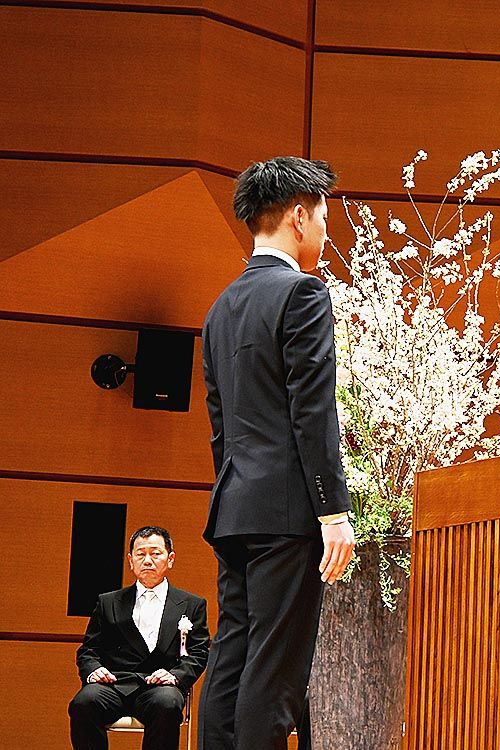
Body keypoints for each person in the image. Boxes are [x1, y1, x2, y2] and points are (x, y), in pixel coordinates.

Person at [199, 156, 356, 749]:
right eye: (323, 219)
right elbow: (313, 412)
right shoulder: (303, 293)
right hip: (288, 515)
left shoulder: (219, 309)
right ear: (297, 216)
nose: (326, 233)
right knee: (276, 674)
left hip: (234, 509)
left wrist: (237, 493)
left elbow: (221, 430)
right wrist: (333, 512)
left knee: (231, 662)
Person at [68, 526, 209, 750]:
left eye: (155, 553)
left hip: (160, 687)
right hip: (114, 684)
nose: (147, 560)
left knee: (168, 704)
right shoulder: (108, 602)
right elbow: (88, 650)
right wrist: (94, 670)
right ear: (130, 560)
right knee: (83, 703)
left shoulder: (192, 604)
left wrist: (175, 675)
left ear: (170, 559)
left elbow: (199, 653)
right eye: (140, 554)